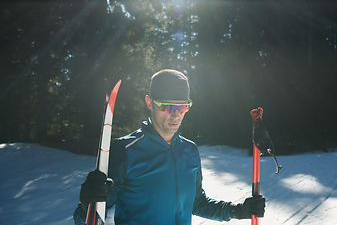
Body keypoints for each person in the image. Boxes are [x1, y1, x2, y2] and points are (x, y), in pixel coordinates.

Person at [74, 69, 266, 225]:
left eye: (182, 107)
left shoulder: (190, 151)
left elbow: (196, 202)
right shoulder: (125, 151)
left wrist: (238, 211)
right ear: (149, 102)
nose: (175, 115)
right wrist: (85, 207)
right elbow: (91, 218)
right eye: (167, 106)